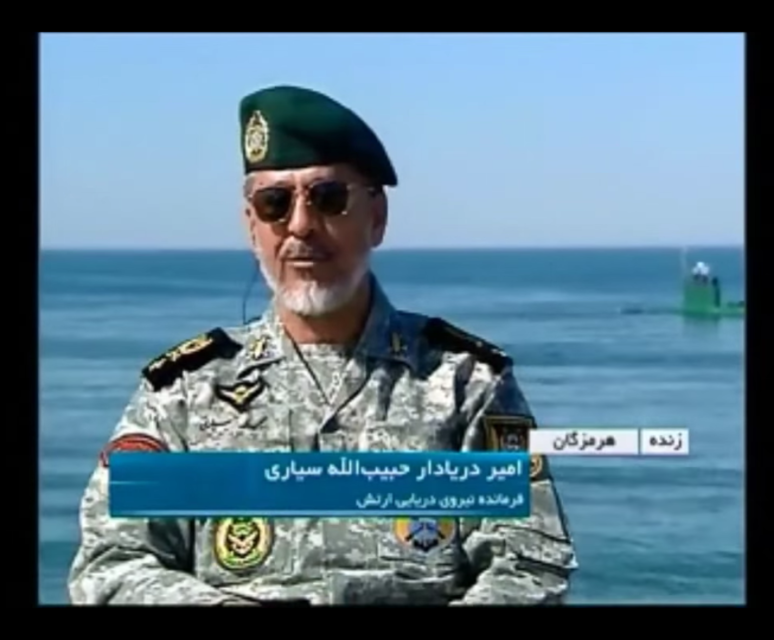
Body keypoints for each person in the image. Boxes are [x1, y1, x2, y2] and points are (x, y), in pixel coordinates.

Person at [67, 84, 577, 605]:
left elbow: (528, 562)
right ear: (251, 225)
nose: (301, 225)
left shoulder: (466, 386)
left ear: (376, 217)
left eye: (329, 198)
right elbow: (113, 563)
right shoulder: (183, 395)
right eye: (275, 202)